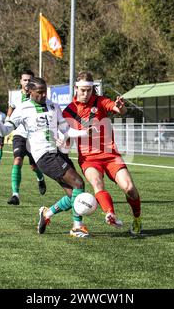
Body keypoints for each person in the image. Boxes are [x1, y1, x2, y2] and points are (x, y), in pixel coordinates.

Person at [0, 77, 92, 238]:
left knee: (74, 195)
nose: (44, 95)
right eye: (40, 92)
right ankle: (77, 227)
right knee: (78, 182)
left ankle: (46, 214)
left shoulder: (53, 106)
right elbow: (3, 131)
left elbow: (66, 130)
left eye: (45, 91)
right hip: (44, 157)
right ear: (30, 91)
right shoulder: (22, 109)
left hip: (57, 153)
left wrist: (85, 132)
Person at [62, 71, 142, 236]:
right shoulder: (68, 112)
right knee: (97, 184)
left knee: (130, 188)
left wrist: (120, 107)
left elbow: (118, 109)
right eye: (82, 90)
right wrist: (65, 141)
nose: (85, 94)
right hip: (88, 159)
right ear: (76, 88)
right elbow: (67, 136)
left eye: (88, 90)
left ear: (93, 90)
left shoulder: (100, 101)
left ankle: (137, 219)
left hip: (111, 155)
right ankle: (109, 213)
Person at [6, 69, 46, 205]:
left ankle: (40, 179)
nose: (27, 82)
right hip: (19, 135)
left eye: (30, 80)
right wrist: (7, 126)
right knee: (17, 160)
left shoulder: (38, 97)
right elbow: (10, 112)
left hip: (33, 137)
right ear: (20, 81)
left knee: (34, 166)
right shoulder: (16, 98)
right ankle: (15, 195)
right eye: (25, 80)